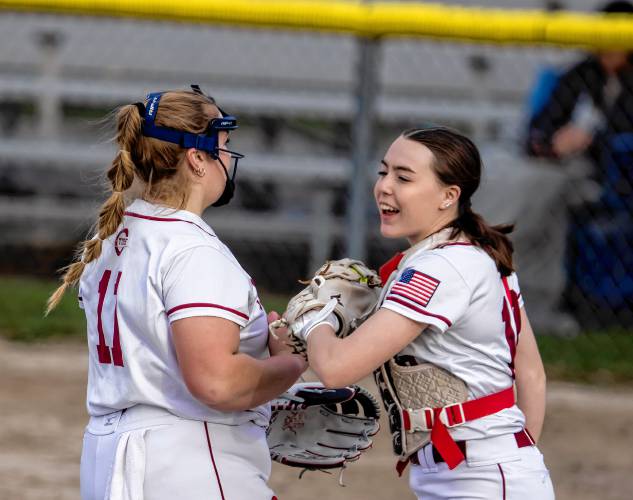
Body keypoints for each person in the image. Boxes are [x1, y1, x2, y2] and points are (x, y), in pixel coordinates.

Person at [46, 87, 306, 500]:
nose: (228, 158)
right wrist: (291, 364)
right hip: (188, 456)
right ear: (196, 159)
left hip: (109, 454)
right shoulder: (192, 249)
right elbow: (216, 383)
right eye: (223, 145)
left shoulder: (112, 234)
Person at [288, 127, 555, 499]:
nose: (384, 186)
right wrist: (518, 457)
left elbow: (335, 369)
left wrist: (318, 317)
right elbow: (531, 374)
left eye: (404, 177)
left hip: (481, 479)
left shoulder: (440, 267)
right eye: (384, 172)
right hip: (481, 472)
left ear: (449, 195)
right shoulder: (474, 253)